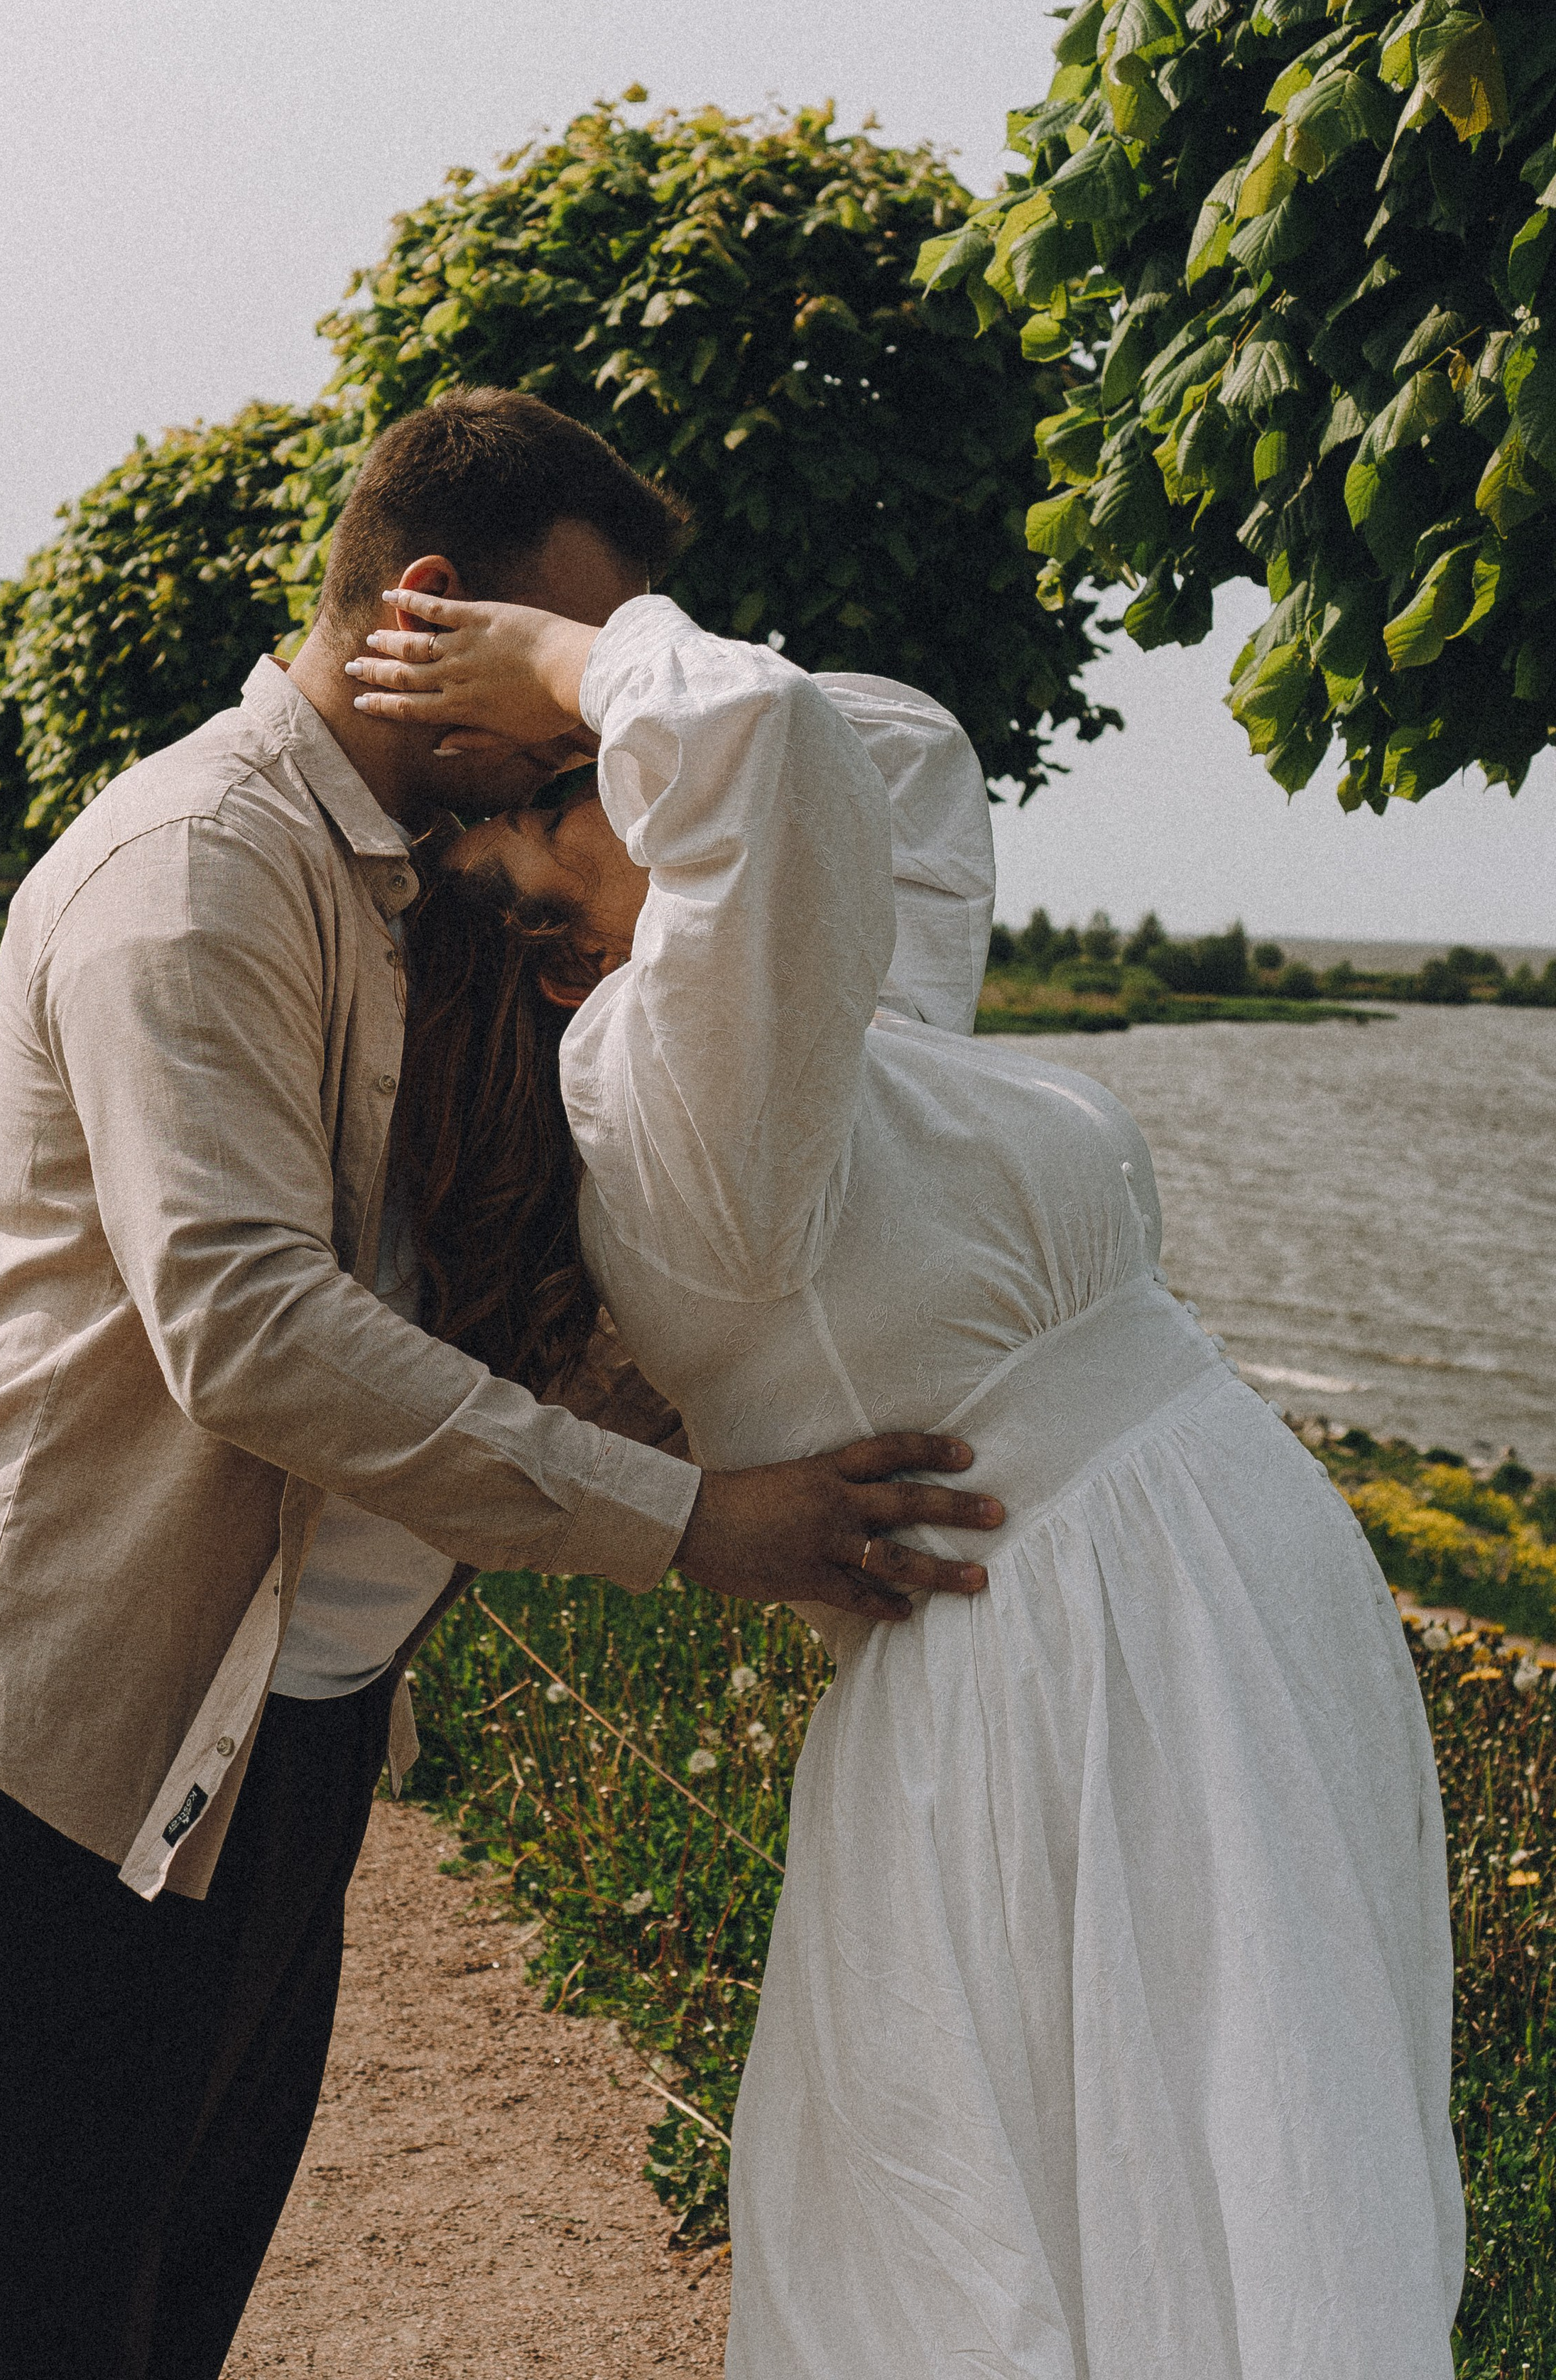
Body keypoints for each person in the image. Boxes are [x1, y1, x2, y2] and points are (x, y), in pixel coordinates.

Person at [0, 391, 1003, 2380]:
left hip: (291, 1729)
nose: (578, 728)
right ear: (429, 610)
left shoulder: (433, 892)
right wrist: (694, 1529)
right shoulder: (199, 865)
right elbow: (246, 1326)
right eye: (550, 662)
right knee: (6, 2340)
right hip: (71, 1729)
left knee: (158, 2323)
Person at [350, 579, 1466, 2380]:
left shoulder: (803, 1041)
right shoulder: (664, 1088)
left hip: (1175, 1629)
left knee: (1230, 2150)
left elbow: (898, 756)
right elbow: (769, 744)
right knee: (1160, 2183)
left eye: (586, 760)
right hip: (1078, 1674)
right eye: (563, 801)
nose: (607, 773)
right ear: (563, 955)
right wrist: (569, 656)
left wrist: (577, 700)